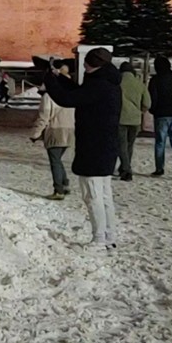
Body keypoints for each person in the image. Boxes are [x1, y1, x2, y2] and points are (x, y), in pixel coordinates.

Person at [42, 48, 122, 249]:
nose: (83, 66)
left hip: (94, 148)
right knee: (104, 195)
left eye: (86, 62)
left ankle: (99, 239)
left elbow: (68, 99)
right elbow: (78, 92)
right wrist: (59, 78)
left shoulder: (99, 85)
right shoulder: (106, 82)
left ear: (94, 63)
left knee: (92, 195)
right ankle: (109, 235)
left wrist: (50, 80)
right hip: (105, 147)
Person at [30, 65, 75, 200]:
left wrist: (35, 134)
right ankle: (65, 183)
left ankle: (58, 190)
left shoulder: (49, 96)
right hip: (69, 131)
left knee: (54, 161)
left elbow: (44, 117)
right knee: (58, 159)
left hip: (55, 131)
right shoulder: (70, 94)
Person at [117, 61, 151, 181]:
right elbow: (147, 103)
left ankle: (126, 170)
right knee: (130, 145)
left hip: (120, 118)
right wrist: (140, 111)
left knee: (121, 145)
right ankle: (124, 167)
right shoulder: (139, 84)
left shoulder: (117, 83)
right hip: (135, 119)